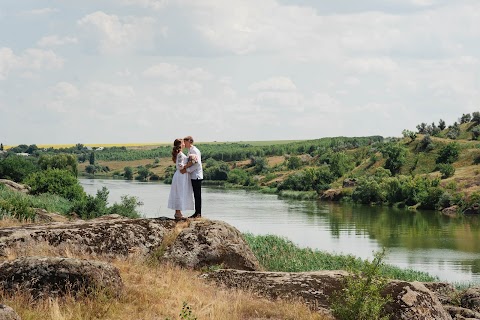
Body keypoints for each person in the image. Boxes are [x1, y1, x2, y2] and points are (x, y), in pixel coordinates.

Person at [167, 138, 194, 220]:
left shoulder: (180, 153)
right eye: (183, 143)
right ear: (180, 145)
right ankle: (178, 213)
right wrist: (190, 164)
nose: (184, 144)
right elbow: (180, 166)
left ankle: (178, 212)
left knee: (180, 193)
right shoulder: (180, 154)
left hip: (182, 176)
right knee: (179, 193)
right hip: (181, 176)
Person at [181, 136, 203, 218]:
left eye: (185, 142)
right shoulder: (190, 150)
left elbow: (197, 164)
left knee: (197, 195)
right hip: (193, 176)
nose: (184, 144)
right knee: (196, 195)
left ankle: (198, 213)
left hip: (196, 175)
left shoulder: (194, 150)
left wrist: (187, 170)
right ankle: (197, 212)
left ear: (189, 141)